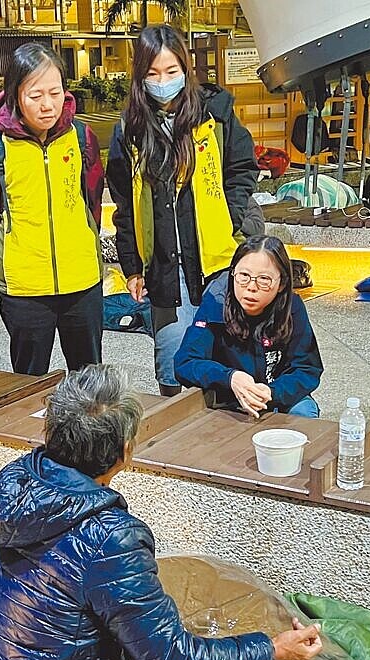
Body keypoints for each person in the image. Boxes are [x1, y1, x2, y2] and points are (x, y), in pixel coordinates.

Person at [0, 364, 322, 660]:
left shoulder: (13, 481)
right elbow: (171, 658)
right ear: (125, 451)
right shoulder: (109, 537)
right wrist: (272, 650)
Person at [107, 24, 259, 396]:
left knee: (226, 363)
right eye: (153, 74)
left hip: (217, 263)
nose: (163, 81)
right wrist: (132, 266)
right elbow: (124, 204)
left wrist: (233, 220)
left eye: (172, 72)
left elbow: (242, 171)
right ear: (140, 76)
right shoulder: (130, 129)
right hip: (163, 268)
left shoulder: (216, 114)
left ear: (186, 70)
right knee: (174, 364)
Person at [0, 43, 105, 376]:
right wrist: (7, 264)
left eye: (55, 93)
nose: (47, 105)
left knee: (88, 381)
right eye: (35, 95)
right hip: (24, 291)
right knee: (26, 383)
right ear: (14, 95)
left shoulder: (82, 138)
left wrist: (83, 245)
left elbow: (93, 202)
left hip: (83, 283)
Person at [175, 235, 324, 418]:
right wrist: (230, 377)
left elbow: (307, 368)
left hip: (278, 394)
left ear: (281, 283)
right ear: (233, 274)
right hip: (227, 396)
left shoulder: (292, 308)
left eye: (264, 279)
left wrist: (272, 392)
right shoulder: (215, 304)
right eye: (244, 276)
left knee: (304, 413)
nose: (251, 287)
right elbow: (185, 362)